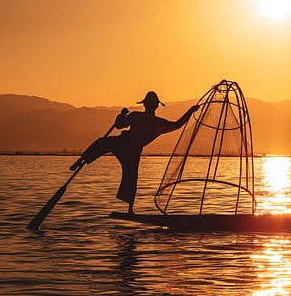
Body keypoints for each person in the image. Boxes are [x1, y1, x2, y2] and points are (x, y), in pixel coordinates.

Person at [70, 91, 199, 214]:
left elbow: (177, 124)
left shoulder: (158, 123)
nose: (150, 106)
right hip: (123, 142)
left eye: (152, 104)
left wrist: (190, 111)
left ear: (154, 106)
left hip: (133, 150)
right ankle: (81, 160)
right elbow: (119, 125)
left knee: (131, 177)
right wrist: (121, 115)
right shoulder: (137, 116)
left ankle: (130, 209)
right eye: (149, 104)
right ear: (147, 105)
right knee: (102, 143)